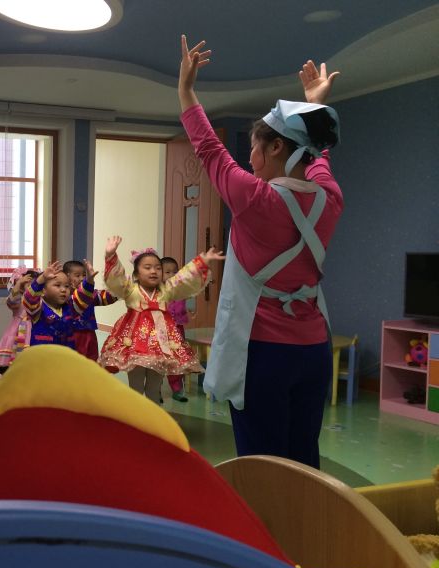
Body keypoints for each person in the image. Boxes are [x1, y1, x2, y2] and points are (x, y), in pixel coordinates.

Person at [178, 35, 342, 467]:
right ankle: (301, 534)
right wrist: (313, 105)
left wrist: (186, 91)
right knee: (304, 458)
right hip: (314, 351)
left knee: (262, 466)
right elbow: (318, 156)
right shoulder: (330, 196)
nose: (249, 159)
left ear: (275, 148)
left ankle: (263, 536)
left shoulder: (256, 199)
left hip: (263, 354)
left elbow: (209, 149)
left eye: (254, 147)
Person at [98, 236, 223, 402]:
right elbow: (117, 279)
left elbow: (183, 279)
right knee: (135, 385)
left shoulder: (167, 289)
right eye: (147, 267)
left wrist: (202, 262)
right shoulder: (130, 289)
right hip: (135, 342)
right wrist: (111, 255)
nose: (153, 271)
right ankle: (135, 420)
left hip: (161, 343)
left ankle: (153, 420)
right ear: (136, 273)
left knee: (154, 387)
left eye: (158, 268)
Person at [22, 260, 96, 348]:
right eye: (57, 285)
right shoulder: (38, 309)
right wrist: (42, 279)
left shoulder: (71, 307)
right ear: (43, 291)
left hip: (66, 357)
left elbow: (83, 297)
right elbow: (29, 298)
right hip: (42, 357)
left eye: (67, 286)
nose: (63, 290)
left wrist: (89, 281)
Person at [63, 260, 116, 361]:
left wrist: (119, 289)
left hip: (90, 333)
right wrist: (88, 282)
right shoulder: (65, 295)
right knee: (74, 362)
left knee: (91, 361)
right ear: (67, 277)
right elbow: (80, 298)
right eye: (77, 275)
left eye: (84, 275)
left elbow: (106, 298)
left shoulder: (91, 294)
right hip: (73, 334)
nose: (82, 278)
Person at [0, 267, 37, 373]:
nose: (32, 288)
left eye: (35, 285)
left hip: (35, 330)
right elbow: (12, 301)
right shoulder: (20, 298)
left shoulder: (41, 299)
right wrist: (18, 284)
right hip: (18, 332)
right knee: (15, 363)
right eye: (29, 284)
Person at [161, 257, 190, 402]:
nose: (172, 275)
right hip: (160, 332)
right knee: (158, 361)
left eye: (175, 271)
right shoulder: (156, 290)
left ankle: (177, 389)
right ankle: (155, 389)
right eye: (167, 272)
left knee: (177, 361)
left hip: (177, 331)